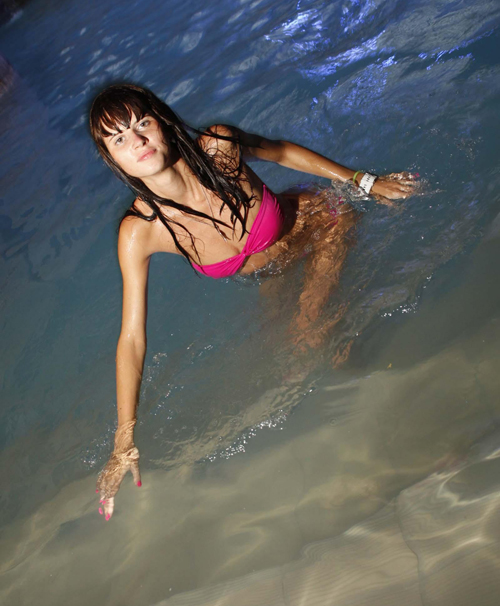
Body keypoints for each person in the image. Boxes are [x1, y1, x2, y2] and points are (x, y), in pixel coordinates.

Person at [89, 83, 417, 520]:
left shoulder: (218, 147)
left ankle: (384, 422)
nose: (137, 141)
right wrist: (123, 439)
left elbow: (280, 151)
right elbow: (132, 338)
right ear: (112, 158)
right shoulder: (141, 230)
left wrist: (364, 181)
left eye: (142, 123)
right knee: (279, 357)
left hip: (321, 224)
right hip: (269, 273)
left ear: (162, 122)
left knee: (309, 336)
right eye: (119, 138)